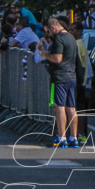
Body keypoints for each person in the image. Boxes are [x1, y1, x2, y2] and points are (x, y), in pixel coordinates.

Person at [38, 16, 79, 148]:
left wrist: (45, 54)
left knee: (59, 107)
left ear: (54, 27)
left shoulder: (59, 39)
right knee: (71, 108)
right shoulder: (72, 38)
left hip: (60, 76)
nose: (49, 34)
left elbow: (57, 58)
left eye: (48, 31)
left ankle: (62, 137)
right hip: (72, 75)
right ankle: (74, 137)